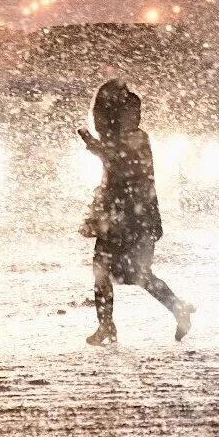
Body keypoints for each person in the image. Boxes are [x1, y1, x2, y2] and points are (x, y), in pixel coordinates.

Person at [79, 80, 193, 346]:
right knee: (105, 269)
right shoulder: (124, 138)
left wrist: (97, 148)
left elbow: (122, 164)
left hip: (129, 217)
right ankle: (107, 325)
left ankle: (176, 309)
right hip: (121, 215)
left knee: (135, 273)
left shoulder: (136, 138)